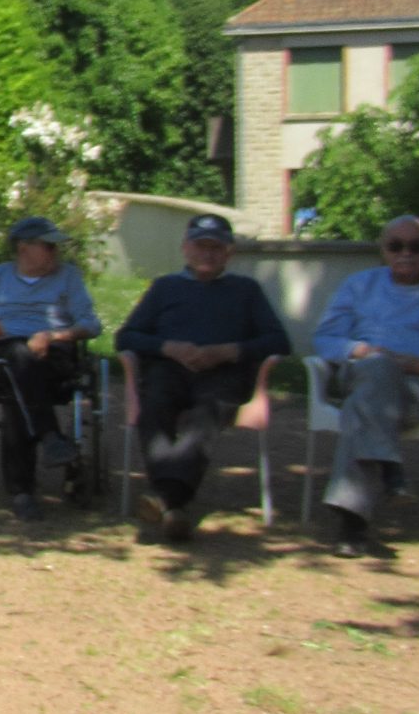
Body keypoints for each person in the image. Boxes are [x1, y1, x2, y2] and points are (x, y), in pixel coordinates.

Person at [116, 212, 289, 544]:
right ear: (185, 249)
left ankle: (165, 497)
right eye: (200, 246)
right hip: (170, 369)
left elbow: (278, 341)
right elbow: (127, 337)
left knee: (206, 414)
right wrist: (168, 347)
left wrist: (230, 351)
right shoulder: (165, 287)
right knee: (153, 407)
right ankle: (174, 506)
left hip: (223, 374)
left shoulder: (246, 291)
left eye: (216, 247)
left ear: (229, 253)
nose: (207, 254)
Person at [0, 216, 101, 520]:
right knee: (17, 357)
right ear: (23, 248)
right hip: (2, 354)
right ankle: (50, 436)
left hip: (54, 356)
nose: (55, 252)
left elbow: (91, 324)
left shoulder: (68, 277)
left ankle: (22, 491)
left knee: (18, 399)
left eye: (56, 247)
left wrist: (53, 335)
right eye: (48, 246)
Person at [311, 215, 419, 556]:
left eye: (416, 246)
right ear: (383, 251)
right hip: (362, 371)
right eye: (396, 246)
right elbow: (325, 338)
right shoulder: (359, 285)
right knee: (377, 369)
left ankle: (352, 524)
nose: (406, 253)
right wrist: (359, 349)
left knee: (363, 406)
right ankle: (390, 472)